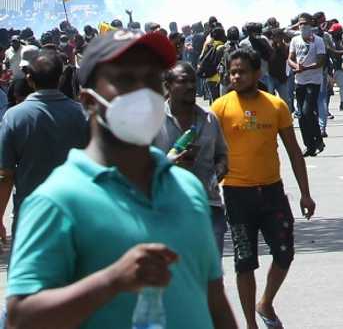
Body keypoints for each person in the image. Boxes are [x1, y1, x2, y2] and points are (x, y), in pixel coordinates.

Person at [5, 30, 237, 328]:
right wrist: (112, 280)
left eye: (152, 81)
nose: (144, 94)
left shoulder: (187, 188)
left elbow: (214, 299)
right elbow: (20, 317)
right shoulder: (57, 200)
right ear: (89, 102)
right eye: (127, 81)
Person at [211, 48, 316, 329]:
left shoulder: (275, 105)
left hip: (272, 192)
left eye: (242, 71)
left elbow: (294, 152)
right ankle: (250, 324)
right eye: (232, 71)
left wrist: (305, 193)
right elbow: (209, 152)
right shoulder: (220, 107)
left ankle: (266, 301)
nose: (236, 76)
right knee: (244, 262)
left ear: (258, 74)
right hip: (236, 194)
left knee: (285, 252)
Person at [0, 48, 89, 246]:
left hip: (32, 218)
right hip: (77, 214)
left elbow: (5, 175)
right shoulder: (82, 114)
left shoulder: (14, 117)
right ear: (59, 78)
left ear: (29, 78)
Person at [154, 62, 230, 252]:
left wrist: (221, 168)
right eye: (183, 81)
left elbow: (222, 154)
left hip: (208, 206)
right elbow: (138, 165)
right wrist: (170, 162)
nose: (190, 86)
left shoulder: (210, 118)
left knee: (211, 274)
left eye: (193, 81)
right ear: (168, 85)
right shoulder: (152, 120)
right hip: (167, 209)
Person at [288, 14, 326, 156]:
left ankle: (318, 139)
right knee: (302, 116)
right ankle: (310, 145)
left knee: (307, 111)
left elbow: (321, 61)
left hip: (313, 81)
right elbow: (290, 58)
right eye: (300, 24)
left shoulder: (319, 41)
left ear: (311, 25)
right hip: (299, 81)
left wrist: (307, 67)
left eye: (305, 23)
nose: (303, 26)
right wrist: (295, 66)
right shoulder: (295, 40)